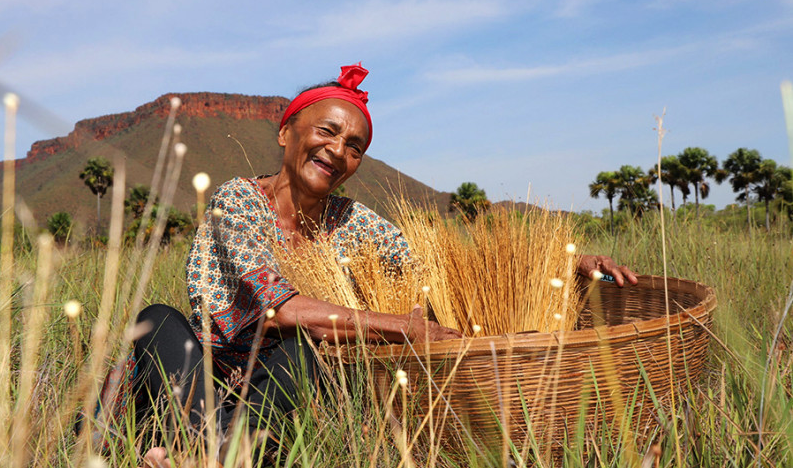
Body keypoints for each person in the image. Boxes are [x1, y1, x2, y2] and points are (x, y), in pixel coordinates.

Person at [113, 63, 637, 467]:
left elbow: (445, 272)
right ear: (286, 132)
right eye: (326, 132)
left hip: (280, 388)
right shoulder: (239, 201)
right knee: (157, 319)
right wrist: (403, 327)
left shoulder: (357, 223)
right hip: (202, 373)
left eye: (354, 147)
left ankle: (205, 454)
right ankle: (219, 447)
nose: (337, 150)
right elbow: (281, 309)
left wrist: (565, 264)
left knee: (305, 352)